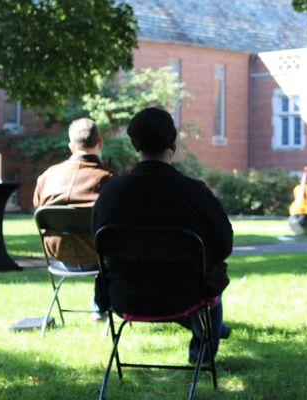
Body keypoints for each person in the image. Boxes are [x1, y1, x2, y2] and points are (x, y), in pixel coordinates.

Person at [92, 107, 233, 363]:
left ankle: (212, 331)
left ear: (134, 145)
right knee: (215, 270)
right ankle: (203, 352)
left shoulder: (111, 192)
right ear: (173, 143)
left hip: (125, 295)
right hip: (185, 294)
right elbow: (224, 246)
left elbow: (98, 244)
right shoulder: (195, 192)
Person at [33, 117, 114, 318]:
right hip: (98, 257)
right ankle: (101, 306)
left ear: (71, 147)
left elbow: (37, 209)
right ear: (100, 143)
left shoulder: (47, 177)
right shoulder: (110, 180)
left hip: (59, 256)